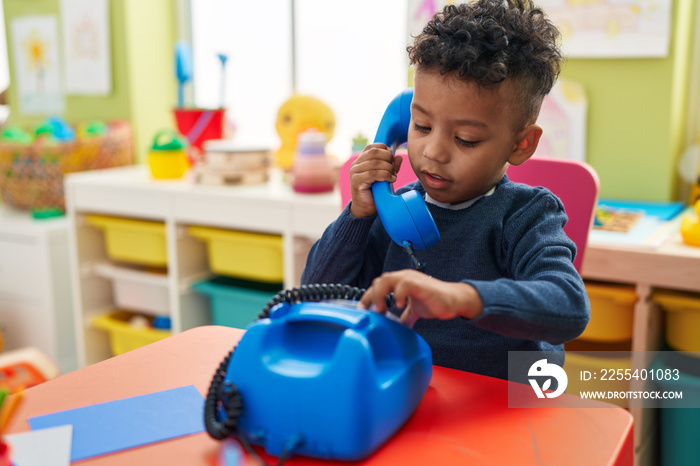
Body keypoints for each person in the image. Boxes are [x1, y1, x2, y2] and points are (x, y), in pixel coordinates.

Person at [301, 0, 589, 380]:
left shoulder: (526, 214)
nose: (433, 151)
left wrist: (461, 298)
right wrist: (357, 216)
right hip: (406, 388)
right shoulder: (394, 212)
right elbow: (315, 294)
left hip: (500, 402)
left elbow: (569, 307)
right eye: (421, 126)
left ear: (521, 145)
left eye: (466, 139)